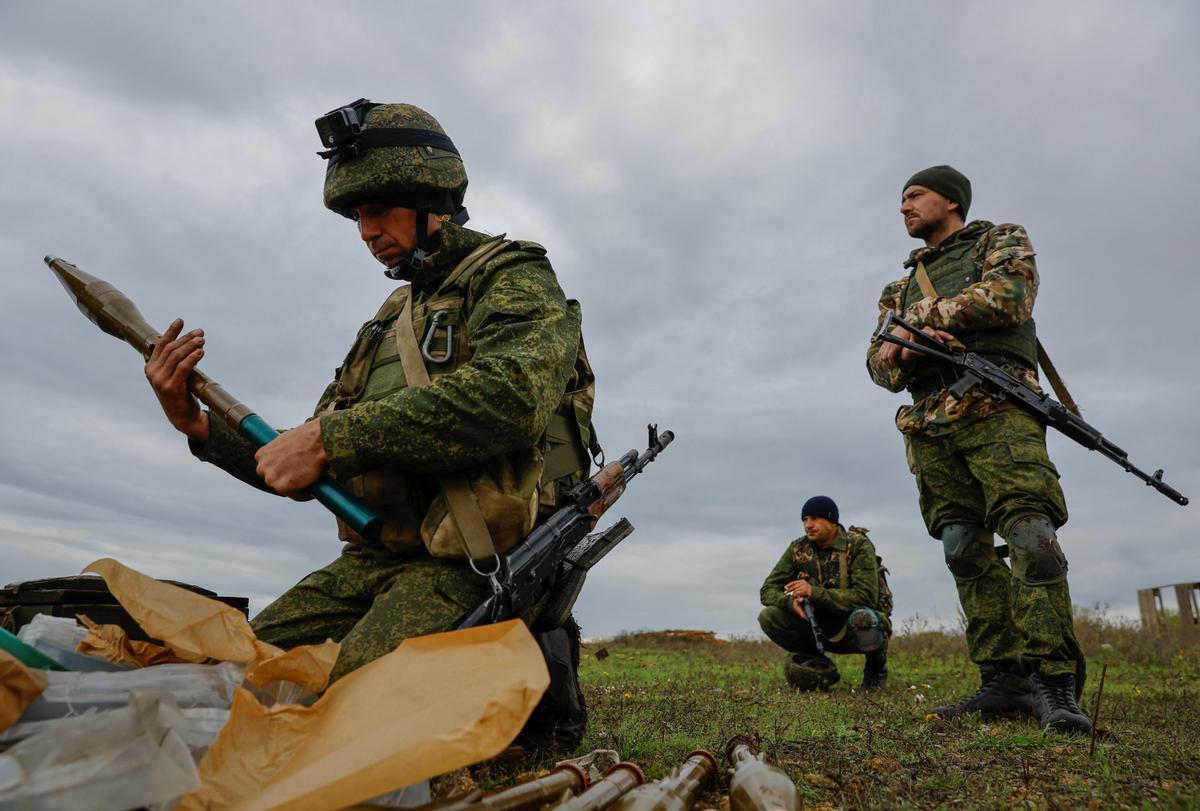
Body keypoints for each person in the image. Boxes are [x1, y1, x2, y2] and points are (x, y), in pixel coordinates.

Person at [143, 100, 597, 750]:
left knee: (335, 719)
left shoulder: (511, 277)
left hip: (462, 564)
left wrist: (333, 438)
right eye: (357, 215)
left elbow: (513, 396)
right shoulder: (388, 323)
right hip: (374, 555)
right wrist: (194, 423)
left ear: (429, 198)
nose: (365, 230)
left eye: (379, 209)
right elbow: (299, 457)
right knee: (234, 672)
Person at [866, 165, 1091, 733]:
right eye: (902, 199)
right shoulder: (898, 284)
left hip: (998, 409)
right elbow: (878, 364)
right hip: (931, 424)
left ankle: (1054, 681)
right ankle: (1002, 678)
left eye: (914, 196)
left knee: (1031, 538)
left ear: (951, 200)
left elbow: (1009, 297)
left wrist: (917, 325)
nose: (903, 207)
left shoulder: (1000, 239)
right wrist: (911, 350)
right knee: (963, 547)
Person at [758, 496, 891, 691]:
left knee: (865, 618)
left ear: (832, 521)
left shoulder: (857, 545)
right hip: (816, 624)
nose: (808, 525)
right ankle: (817, 663)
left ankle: (875, 670)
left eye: (814, 518)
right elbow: (767, 590)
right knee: (768, 616)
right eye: (804, 520)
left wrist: (813, 592)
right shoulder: (798, 548)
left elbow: (865, 597)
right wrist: (790, 603)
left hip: (852, 624)